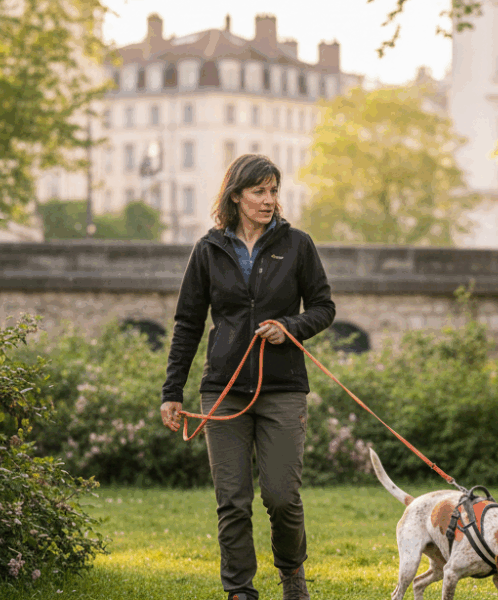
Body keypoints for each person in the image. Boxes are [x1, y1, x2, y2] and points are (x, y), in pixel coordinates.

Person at [160, 154, 335, 600]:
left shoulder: (297, 245)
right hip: (223, 389)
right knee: (233, 502)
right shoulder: (208, 249)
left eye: (274, 191)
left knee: (281, 497)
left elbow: (323, 307)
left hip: (283, 390)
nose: (268, 200)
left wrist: (289, 327)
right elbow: (187, 323)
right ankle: (239, 589)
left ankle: (292, 573)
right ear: (235, 194)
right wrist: (172, 392)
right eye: (259, 191)